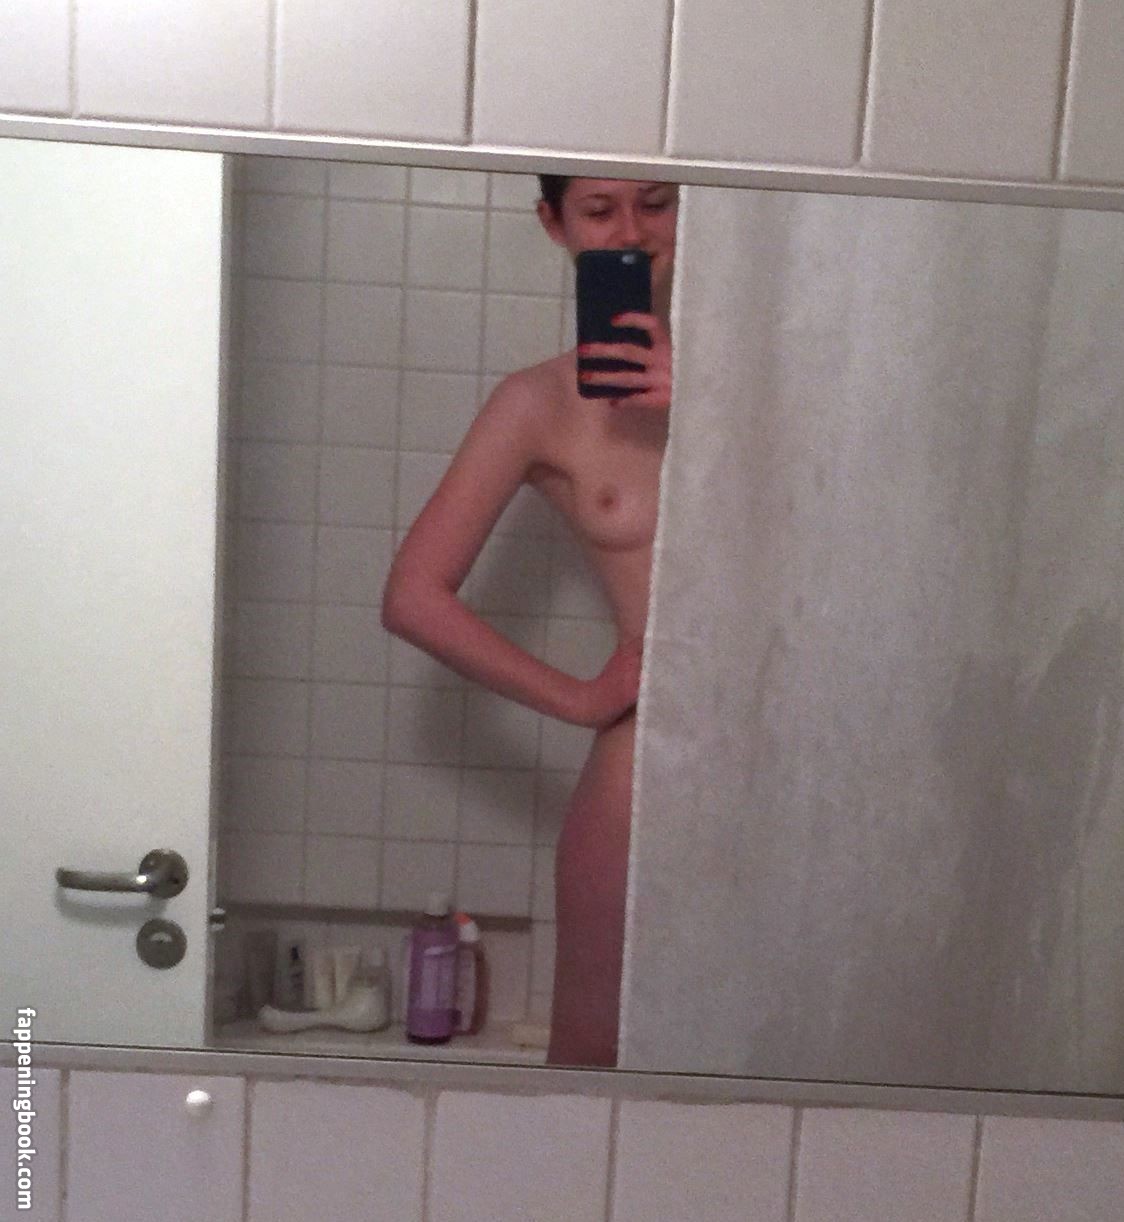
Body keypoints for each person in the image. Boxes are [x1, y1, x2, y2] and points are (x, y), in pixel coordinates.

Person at [382, 175, 677, 1065]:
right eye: (598, 210)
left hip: (801, 765)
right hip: (645, 767)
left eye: (657, 202)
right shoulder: (539, 404)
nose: (631, 231)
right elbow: (414, 595)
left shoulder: (781, 380)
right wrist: (582, 699)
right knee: (593, 1061)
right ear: (555, 224)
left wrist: (713, 406)